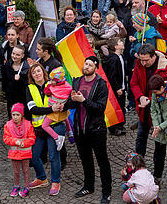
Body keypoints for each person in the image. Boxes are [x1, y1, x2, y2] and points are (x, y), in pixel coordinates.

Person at [68, 56, 113, 203]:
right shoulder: (77, 81)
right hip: (80, 129)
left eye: (90, 65)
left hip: (96, 129)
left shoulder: (101, 84)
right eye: (85, 64)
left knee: (102, 161)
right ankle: (88, 186)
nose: (86, 66)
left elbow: (100, 108)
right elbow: (72, 104)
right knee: (86, 160)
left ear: (96, 67)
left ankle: (106, 192)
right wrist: (72, 100)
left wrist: (84, 101)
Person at [26, 62, 64, 196]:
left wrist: (57, 108)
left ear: (43, 72)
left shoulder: (53, 84)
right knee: (34, 156)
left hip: (55, 126)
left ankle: (55, 181)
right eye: (34, 73)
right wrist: (50, 109)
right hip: (39, 129)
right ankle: (42, 178)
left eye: (38, 71)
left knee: (54, 156)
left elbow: (62, 100)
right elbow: (32, 109)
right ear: (31, 76)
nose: (37, 74)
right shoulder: (29, 88)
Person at [131, 42, 167, 156]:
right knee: (140, 137)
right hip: (143, 109)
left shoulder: (165, 68)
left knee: (159, 142)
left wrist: (150, 99)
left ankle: (157, 172)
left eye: (146, 60)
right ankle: (138, 164)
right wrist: (140, 97)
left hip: (159, 110)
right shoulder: (139, 64)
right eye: (141, 60)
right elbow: (134, 83)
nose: (143, 63)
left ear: (154, 56)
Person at [3, 102, 36, 198]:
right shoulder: (8, 125)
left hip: (25, 153)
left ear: (22, 115)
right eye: (13, 115)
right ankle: (16, 186)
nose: (15, 117)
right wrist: (15, 141)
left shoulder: (28, 125)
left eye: (18, 115)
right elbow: (6, 138)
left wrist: (24, 143)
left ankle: (26, 187)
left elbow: (32, 138)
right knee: (16, 171)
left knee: (26, 170)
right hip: (14, 153)